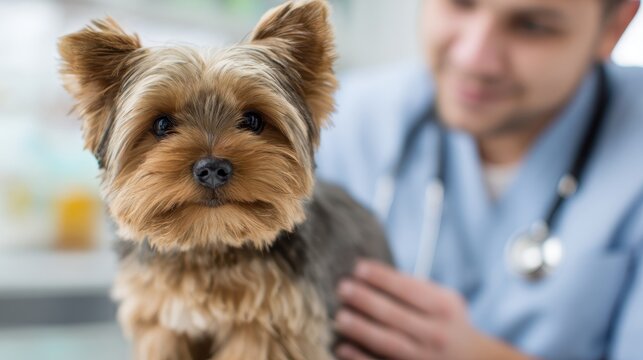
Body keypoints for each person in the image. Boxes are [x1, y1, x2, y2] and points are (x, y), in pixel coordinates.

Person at [315, 0, 643, 359]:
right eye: (459, 4)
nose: (474, 58)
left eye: (532, 26)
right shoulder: (342, 121)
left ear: (616, 25)